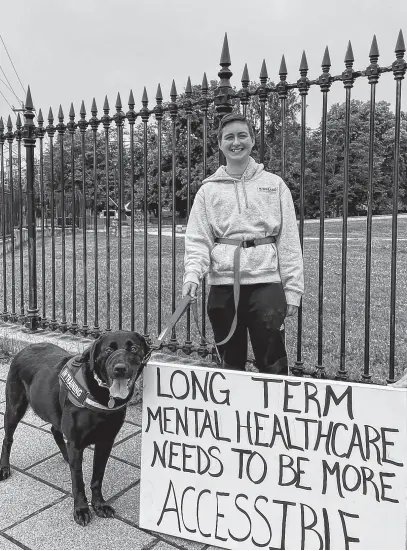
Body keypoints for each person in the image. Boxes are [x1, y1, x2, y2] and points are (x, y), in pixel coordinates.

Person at [182, 113, 304, 374]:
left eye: (242, 135)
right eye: (229, 137)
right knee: (230, 362)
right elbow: (198, 239)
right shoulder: (208, 191)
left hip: (266, 284)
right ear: (220, 144)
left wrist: (293, 289)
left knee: (273, 360)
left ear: (252, 140)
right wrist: (192, 275)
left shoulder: (275, 185)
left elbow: (289, 240)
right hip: (223, 286)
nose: (236, 142)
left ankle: (272, 412)